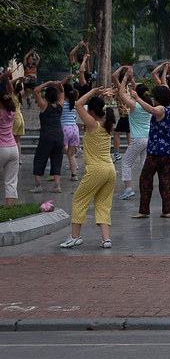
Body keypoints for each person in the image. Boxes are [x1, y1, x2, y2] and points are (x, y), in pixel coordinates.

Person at [59, 85, 117, 248]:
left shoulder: (92, 123)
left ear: (91, 111)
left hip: (96, 169)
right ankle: (106, 239)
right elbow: (97, 107)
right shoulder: (107, 121)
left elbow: (77, 104)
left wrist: (93, 92)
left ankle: (75, 236)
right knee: (103, 204)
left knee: (79, 200)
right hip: (110, 170)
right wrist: (101, 96)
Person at [133, 69, 170, 219]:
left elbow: (151, 109)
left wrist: (137, 98)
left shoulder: (160, 110)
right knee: (165, 180)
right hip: (168, 152)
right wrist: (163, 84)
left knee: (145, 178)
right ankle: (167, 210)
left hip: (156, 151)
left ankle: (144, 209)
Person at [114, 68, 150, 201]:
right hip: (148, 138)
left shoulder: (134, 105)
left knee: (126, 162)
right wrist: (131, 79)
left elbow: (121, 94)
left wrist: (125, 78)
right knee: (144, 164)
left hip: (138, 139)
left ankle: (128, 189)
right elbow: (135, 91)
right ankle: (146, 186)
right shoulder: (148, 104)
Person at [31, 80, 64, 193]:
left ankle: (38, 184)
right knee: (57, 159)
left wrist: (48, 83)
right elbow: (62, 92)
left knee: (39, 159)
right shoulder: (60, 106)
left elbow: (36, 91)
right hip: (59, 137)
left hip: (46, 137)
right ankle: (57, 185)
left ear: (46, 97)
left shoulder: (44, 106)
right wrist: (59, 85)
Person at [0, 70, 19, 207]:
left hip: (1, 148)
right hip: (13, 148)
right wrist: (6, 79)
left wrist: (3, 77)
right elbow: (11, 92)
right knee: (11, 181)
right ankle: (9, 209)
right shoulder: (11, 110)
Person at [60, 80, 80, 181]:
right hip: (74, 129)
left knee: (60, 150)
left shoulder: (61, 103)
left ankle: (55, 173)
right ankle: (74, 175)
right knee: (71, 154)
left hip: (64, 128)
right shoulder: (74, 103)